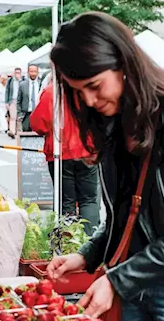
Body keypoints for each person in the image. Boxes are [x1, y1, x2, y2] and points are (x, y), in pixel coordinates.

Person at [45, 12, 164, 320]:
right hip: (134, 286)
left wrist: (117, 280)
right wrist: (85, 255)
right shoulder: (115, 122)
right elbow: (128, 215)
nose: (88, 100)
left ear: (124, 65)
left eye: (94, 85)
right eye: (77, 91)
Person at [30, 84, 100, 235]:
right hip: (86, 150)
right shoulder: (87, 87)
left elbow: (38, 124)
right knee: (89, 200)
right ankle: (90, 241)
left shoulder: (51, 91)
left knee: (66, 201)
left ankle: (69, 243)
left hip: (61, 152)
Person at [17, 64, 41, 132]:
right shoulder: (22, 85)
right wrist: (19, 114)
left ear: (37, 72)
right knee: (26, 135)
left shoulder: (41, 84)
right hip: (26, 114)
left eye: (35, 71)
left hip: (38, 113)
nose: (33, 73)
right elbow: (19, 101)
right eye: (31, 71)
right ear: (28, 72)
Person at [5, 67, 23, 137]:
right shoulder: (10, 80)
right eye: (16, 73)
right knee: (12, 116)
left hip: (20, 101)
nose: (17, 74)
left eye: (19, 73)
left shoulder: (23, 80)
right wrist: (6, 102)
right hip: (12, 100)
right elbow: (7, 91)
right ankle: (12, 131)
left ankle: (19, 132)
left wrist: (20, 80)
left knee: (19, 117)